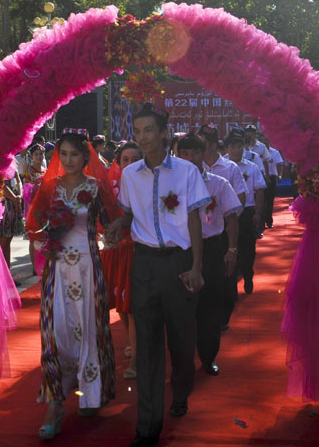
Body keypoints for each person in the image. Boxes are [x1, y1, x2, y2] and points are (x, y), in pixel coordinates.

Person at [105, 103, 210, 447]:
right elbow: (130, 214)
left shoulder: (186, 172)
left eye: (149, 130)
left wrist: (196, 266)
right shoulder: (131, 174)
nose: (143, 137)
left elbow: (194, 220)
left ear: (164, 132)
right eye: (137, 131)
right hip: (145, 266)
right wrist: (119, 224)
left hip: (178, 264)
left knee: (181, 341)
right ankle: (147, 426)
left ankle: (180, 391)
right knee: (146, 347)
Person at [26, 128, 117, 440]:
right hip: (58, 271)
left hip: (89, 267)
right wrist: (43, 245)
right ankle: (54, 404)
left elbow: (114, 221)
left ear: (86, 155)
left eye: (74, 154)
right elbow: (33, 224)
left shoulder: (96, 187)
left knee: (90, 329)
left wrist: (118, 232)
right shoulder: (49, 187)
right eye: (62, 154)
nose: (68, 160)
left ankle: (91, 392)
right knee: (55, 332)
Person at [177, 134, 241, 376]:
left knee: (211, 305)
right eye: (184, 153)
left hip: (212, 248)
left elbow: (231, 216)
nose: (190, 158)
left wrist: (232, 249)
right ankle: (183, 360)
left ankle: (208, 356)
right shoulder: (171, 184)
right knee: (181, 308)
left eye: (195, 152)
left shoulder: (218, 184)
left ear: (204, 154)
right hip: (182, 249)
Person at [101, 141, 143, 380]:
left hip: (137, 250)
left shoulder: (149, 183)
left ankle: (137, 360)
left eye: (134, 159)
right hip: (114, 251)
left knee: (133, 307)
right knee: (123, 306)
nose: (129, 164)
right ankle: (130, 341)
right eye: (125, 159)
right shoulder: (107, 185)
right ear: (117, 162)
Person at [225, 131, 266, 301]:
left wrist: (258, 213)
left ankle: (248, 274)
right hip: (227, 214)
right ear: (227, 148)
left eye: (240, 145)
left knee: (248, 248)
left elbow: (260, 190)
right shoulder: (222, 166)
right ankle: (231, 283)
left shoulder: (251, 167)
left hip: (246, 212)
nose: (236, 150)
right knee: (229, 248)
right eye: (233, 146)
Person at [0, 168, 24, 273]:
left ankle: (8, 274)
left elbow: (18, 180)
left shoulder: (13, 162)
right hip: (4, 205)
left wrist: (19, 196)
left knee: (8, 241)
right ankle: (1, 275)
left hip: (14, 205)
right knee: (2, 241)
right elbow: (0, 185)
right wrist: (14, 198)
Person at [23, 143, 47, 274]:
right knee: (33, 238)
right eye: (36, 154)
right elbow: (27, 192)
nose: (39, 156)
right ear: (32, 156)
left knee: (43, 236)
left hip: (44, 207)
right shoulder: (29, 171)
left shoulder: (45, 170)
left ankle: (42, 263)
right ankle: (34, 266)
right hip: (33, 207)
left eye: (41, 153)